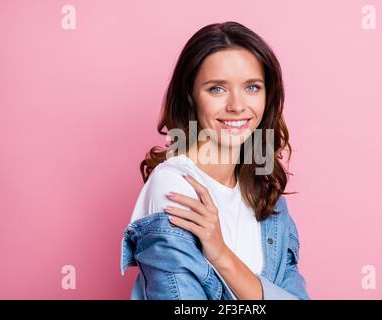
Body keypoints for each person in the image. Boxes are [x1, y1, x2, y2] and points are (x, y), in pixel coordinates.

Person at [121, 21, 310, 300]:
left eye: (252, 87)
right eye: (217, 89)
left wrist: (221, 254)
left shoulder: (269, 199)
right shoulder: (176, 188)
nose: (236, 105)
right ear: (191, 97)